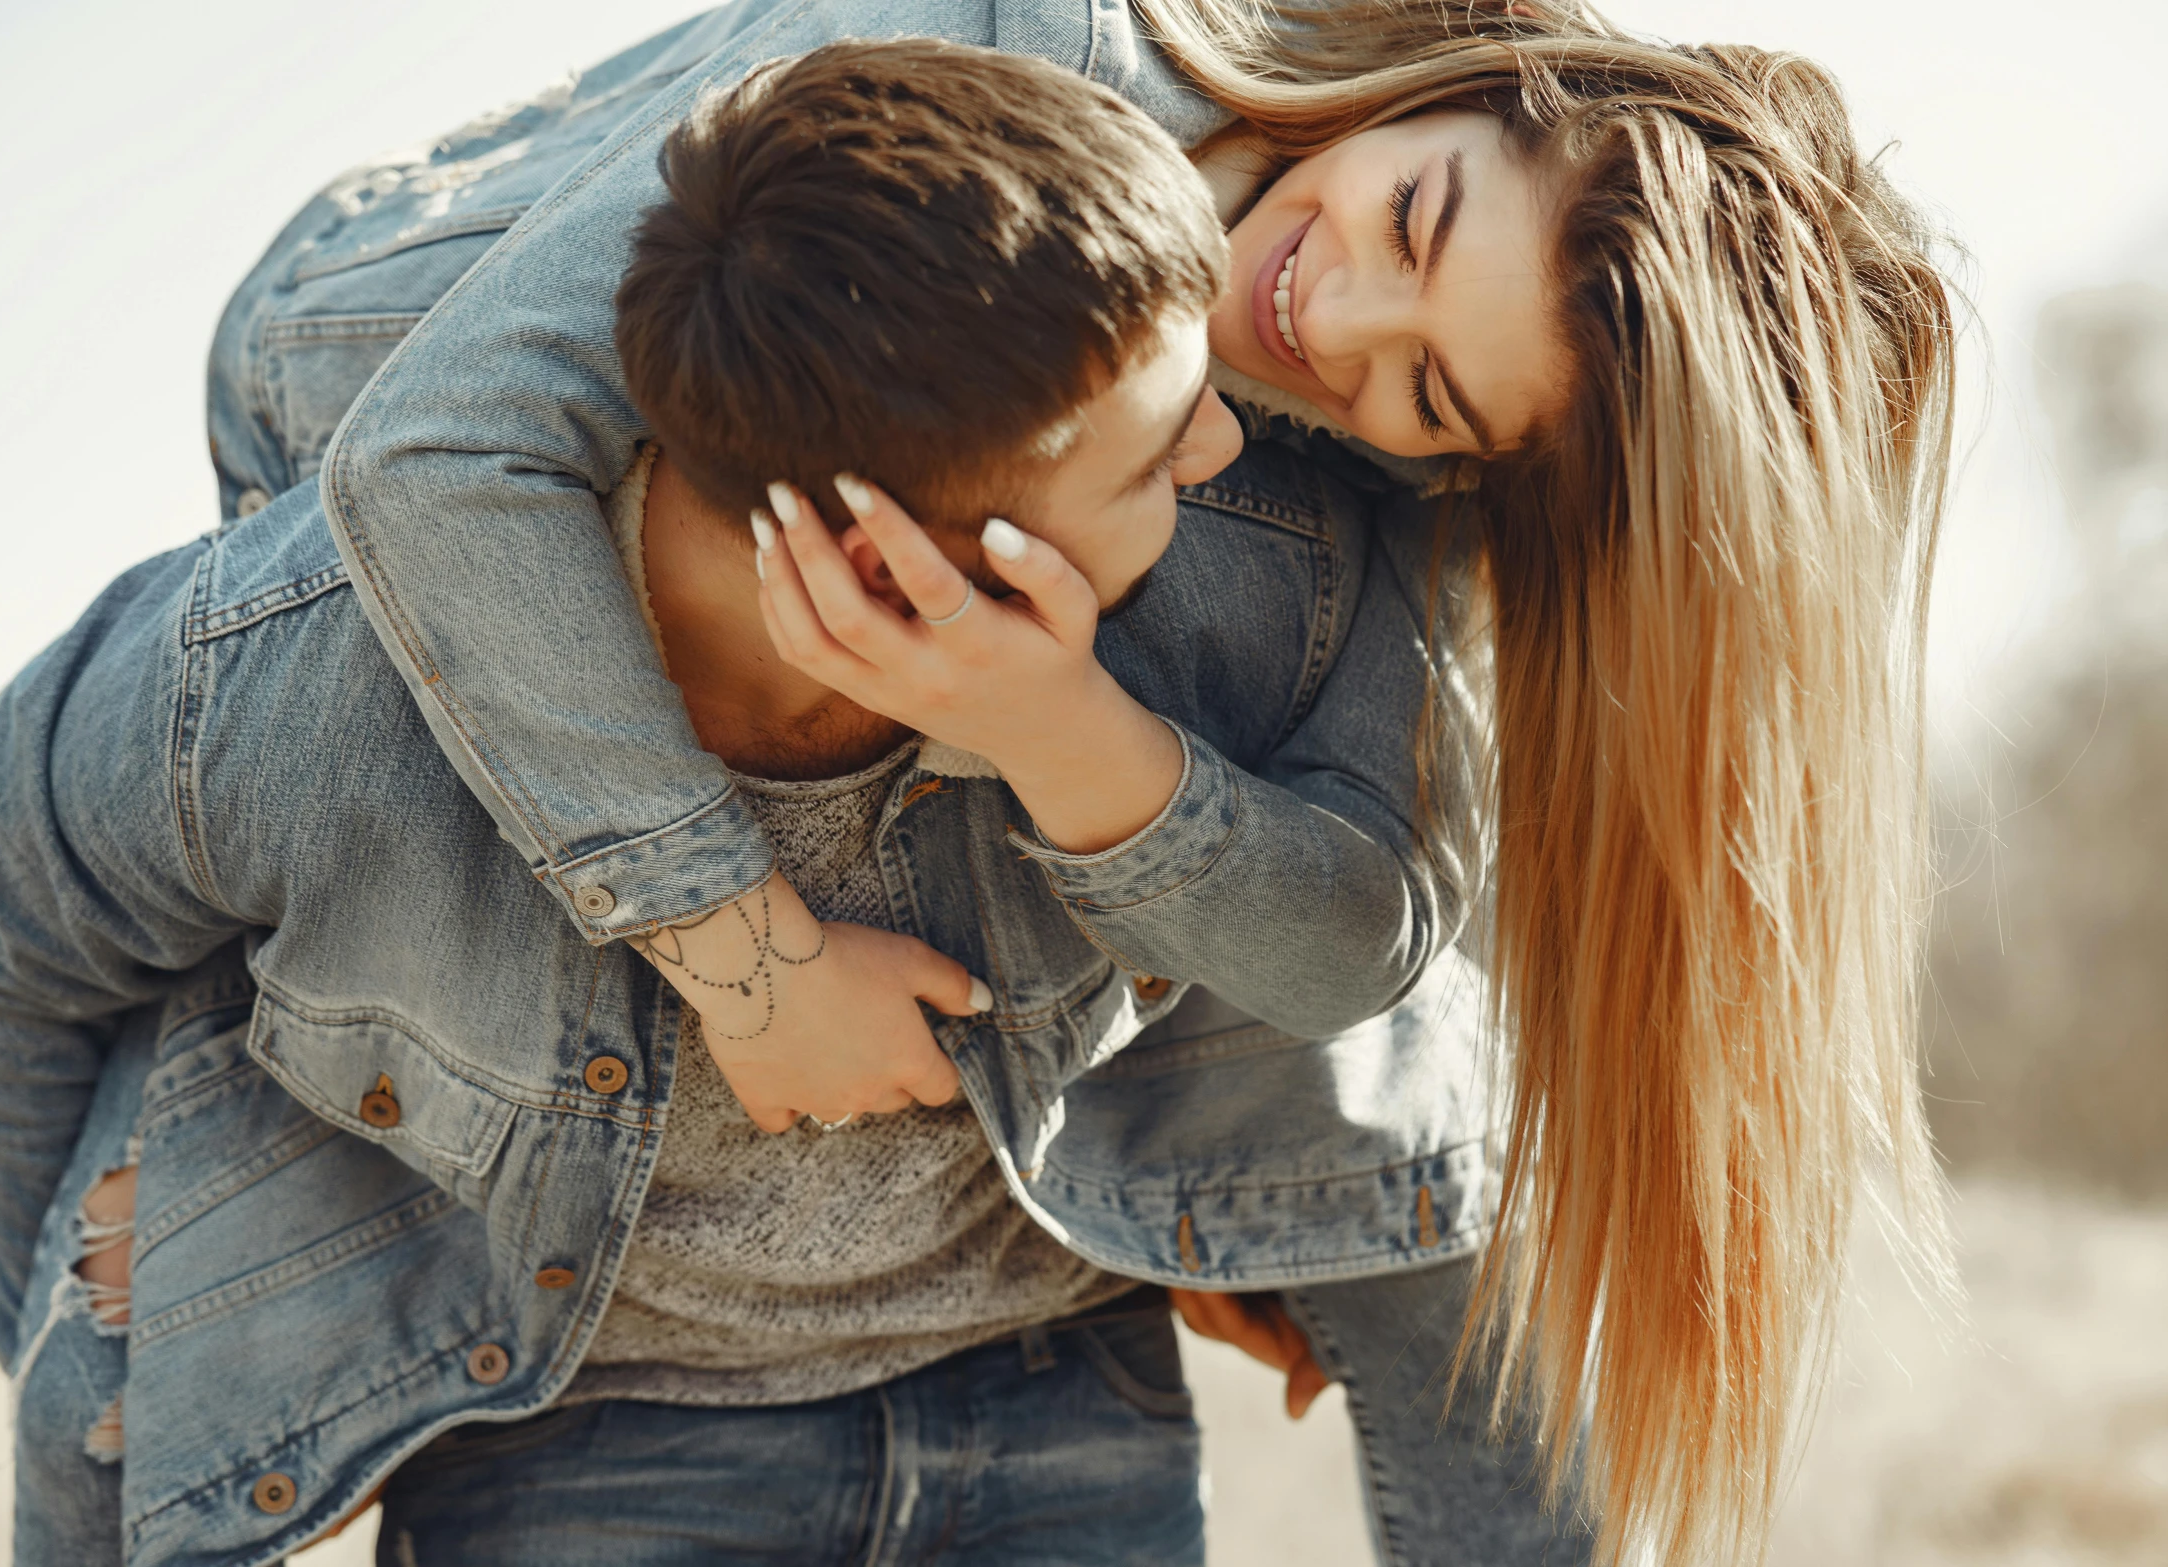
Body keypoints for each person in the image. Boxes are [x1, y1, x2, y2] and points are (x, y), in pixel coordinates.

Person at [227, 1, 1958, 1562]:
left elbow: (1366, 923)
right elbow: (435, 450)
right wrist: (738, 949)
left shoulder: (1358, 472)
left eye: (1426, 391)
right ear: (1463, 77)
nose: (1326, 316)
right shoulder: (1004, 55)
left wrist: (1055, 725)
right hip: (343, 411)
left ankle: (1294, 1222)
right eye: (1412, 219)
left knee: (1429, 1055)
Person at [0, 40, 1559, 1567]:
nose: (1225, 453)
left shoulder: (1243, 565)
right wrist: (70, 1303)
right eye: (1146, 460)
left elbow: (1370, 950)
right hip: (589, 1443)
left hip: (1056, 1393)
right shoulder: (312, 670)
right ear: (881, 563)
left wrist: (1053, 724)